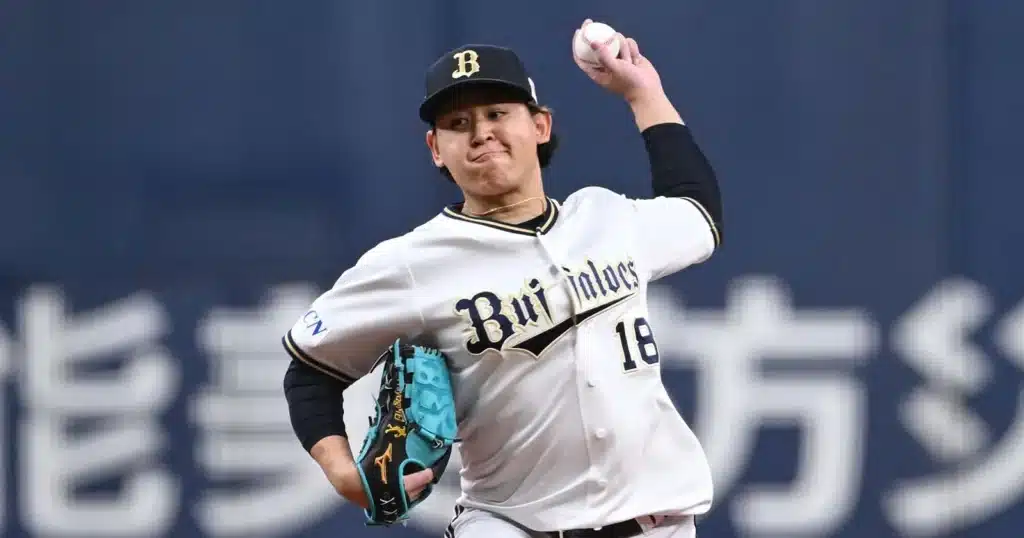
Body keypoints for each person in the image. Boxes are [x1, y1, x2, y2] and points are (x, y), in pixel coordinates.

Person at [282, 19, 723, 538]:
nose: (481, 132)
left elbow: (697, 210)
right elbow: (310, 372)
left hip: (657, 524)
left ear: (540, 126)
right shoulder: (411, 263)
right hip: (510, 524)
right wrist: (342, 473)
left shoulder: (607, 218)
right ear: (435, 148)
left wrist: (644, 94)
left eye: (497, 113)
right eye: (458, 122)